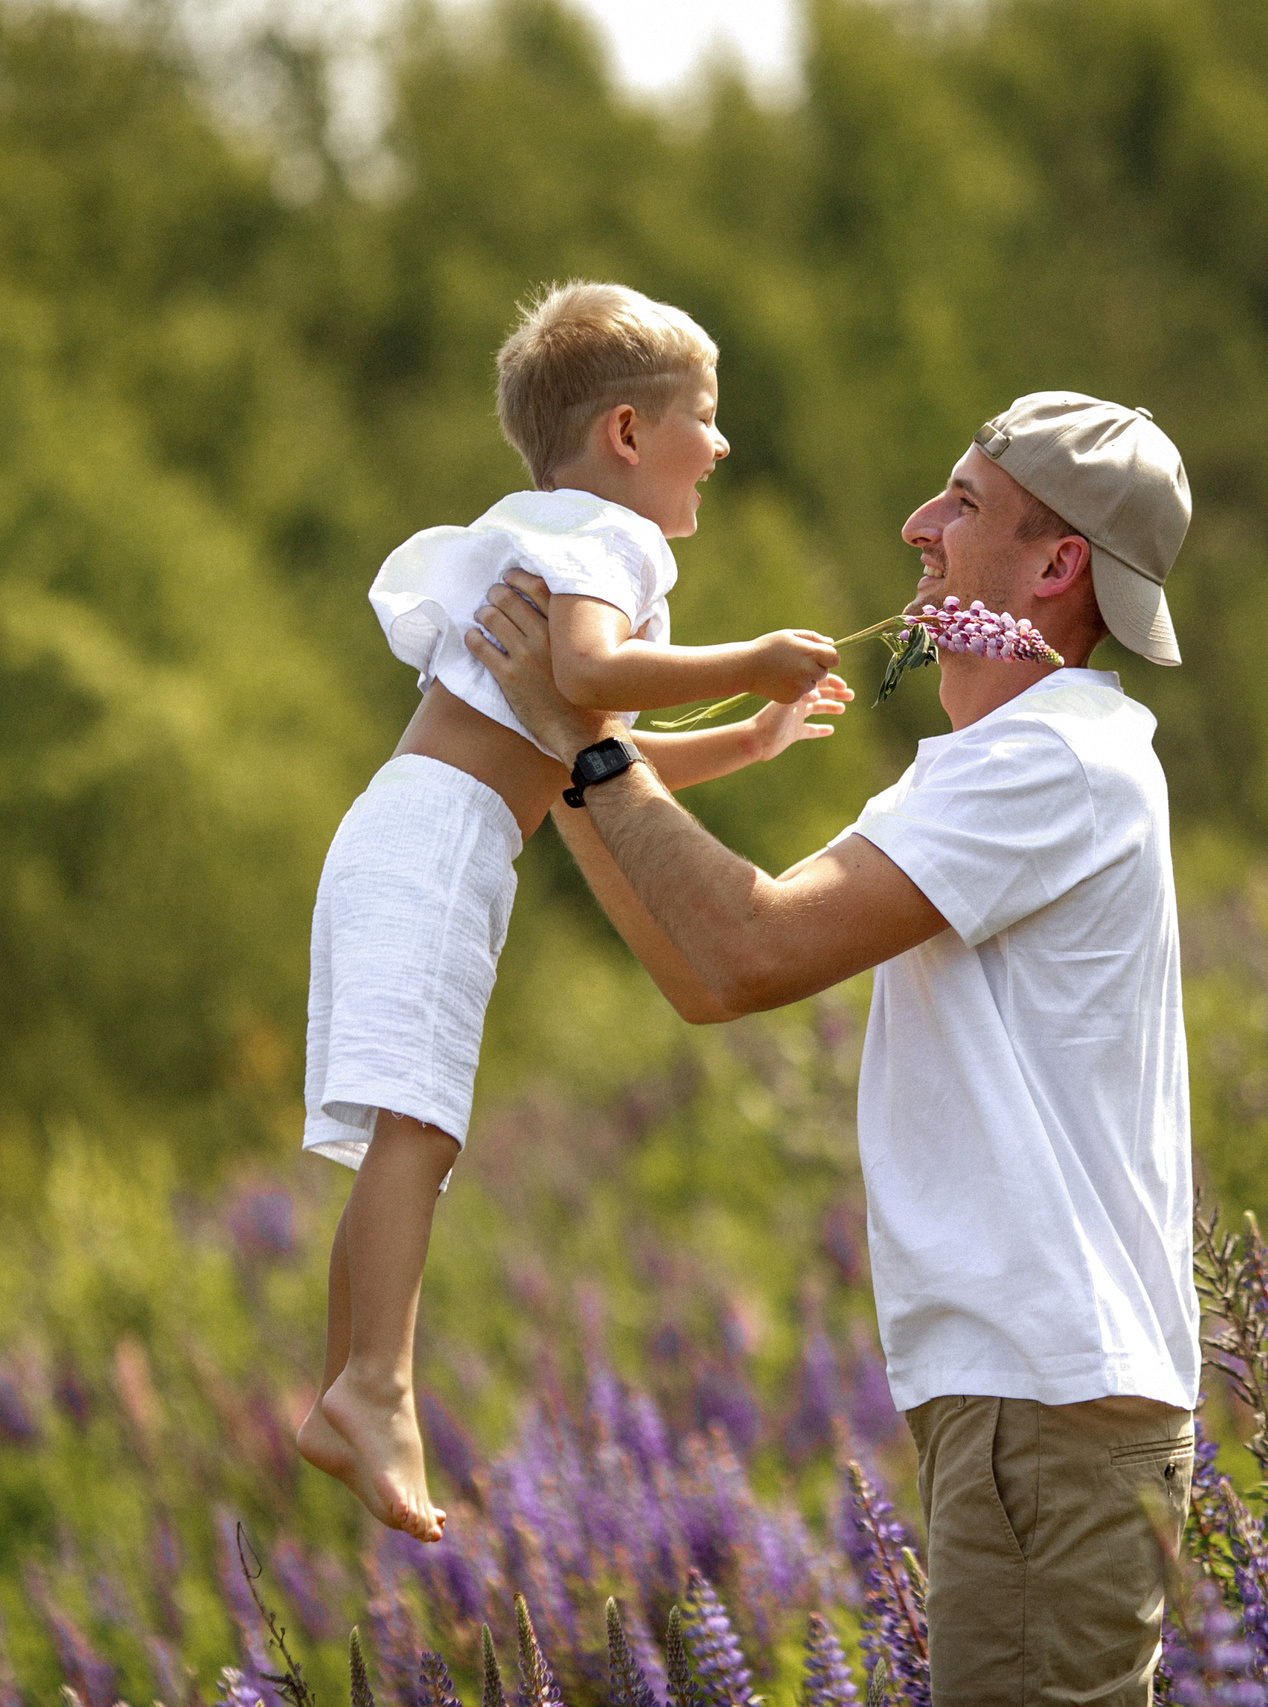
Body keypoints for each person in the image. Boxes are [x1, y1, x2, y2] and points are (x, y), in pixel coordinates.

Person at [468, 392, 1200, 1704]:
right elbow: (707, 975)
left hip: (1045, 1399)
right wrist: (567, 740)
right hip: (1027, 1401)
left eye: (963, 502)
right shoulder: (974, 770)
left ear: (1056, 562)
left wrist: (583, 733)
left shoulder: (1056, 760)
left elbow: (750, 944)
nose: (917, 525)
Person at [295, 281, 848, 1540]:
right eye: (701, 419)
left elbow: (590, 747)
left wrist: (752, 741)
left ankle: (350, 1384)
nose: (719, 445)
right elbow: (594, 681)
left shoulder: (554, 535)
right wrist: (753, 657)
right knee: (419, 1132)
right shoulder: (608, 541)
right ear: (625, 435)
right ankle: (373, 1386)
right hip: (436, 842)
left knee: (408, 1132)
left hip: (420, 830)